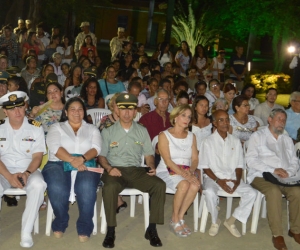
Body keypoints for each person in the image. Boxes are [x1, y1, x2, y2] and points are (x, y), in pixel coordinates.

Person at [99, 93, 166, 248]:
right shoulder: (108, 131)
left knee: (159, 185)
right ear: (117, 111)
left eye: (131, 109)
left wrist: (151, 166)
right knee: (109, 187)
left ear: (135, 111)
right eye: (123, 109)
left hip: (136, 170)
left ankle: (152, 229)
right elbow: (101, 157)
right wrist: (109, 168)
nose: (127, 113)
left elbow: (149, 154)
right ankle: (110, 231)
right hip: (115, 170)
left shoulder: (142, 130)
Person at [42, 97, 101, 242]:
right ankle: (61, 220)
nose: (77, 112)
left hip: (85, 163)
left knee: (86, 187)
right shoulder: (57, 127)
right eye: (72, 109)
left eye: (80, 109)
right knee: (57, 187)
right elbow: (54, 146)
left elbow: (97, 148)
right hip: (58, 163)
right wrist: (72, 160)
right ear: (66, 112)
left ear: (84, 112)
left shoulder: (92, 128)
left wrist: (82, 159)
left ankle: (85, 225)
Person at [246, 109, 300, 250]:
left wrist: (288, 172)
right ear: (269, 120)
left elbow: (295, 161)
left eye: (284, 120)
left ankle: (295, 229)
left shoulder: (287, 140)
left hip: (284, 177)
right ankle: (277, 235)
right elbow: (250, 160)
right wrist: (272, 170)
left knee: (297, 192)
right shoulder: (257, 136)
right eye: (278, 118)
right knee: (274, 192)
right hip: (261, 175)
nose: (281, 122)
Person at [199, 110, 257, 237]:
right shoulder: (207, 142)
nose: (225, 123)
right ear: (214, 123)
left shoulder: (235, 141)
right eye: (221, 120)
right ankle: (215, 221)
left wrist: (237, 181)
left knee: (252, 193)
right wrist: (218, 180)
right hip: (213, 178)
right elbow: (205, 167)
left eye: (227, 119)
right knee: (209, 192)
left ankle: (231, 221)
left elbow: (239, 165)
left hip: (231, 177)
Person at [0, 91, 47, 247]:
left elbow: (37, 157)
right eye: (12, 109)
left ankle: (26, 231)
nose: (18, 112)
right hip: (3, 170)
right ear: (5, 111)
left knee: (39, 185)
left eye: (20, 107)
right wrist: (8, 176)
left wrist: (27, 173)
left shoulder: (35, 128)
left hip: (28, 169)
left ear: (25, 106)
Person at [156, 104, 200, 237]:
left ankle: (180, 217)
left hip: (186, 171)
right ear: (175, 117)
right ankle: (174, 219)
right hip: (167, 170)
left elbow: (195, 159)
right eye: (183, 115)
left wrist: (191, 172)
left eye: (189, 116)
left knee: (195, 185)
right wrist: (185, 174)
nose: (187, 119)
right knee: (185, 184)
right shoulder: (164, 135)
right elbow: (168, 161)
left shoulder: (192, 136)